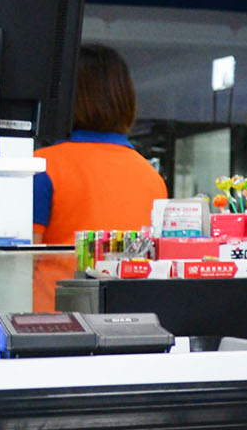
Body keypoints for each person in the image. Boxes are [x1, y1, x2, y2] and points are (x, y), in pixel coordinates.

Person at [34, 44, 167, 299]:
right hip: (127, 317)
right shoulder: (151, 176)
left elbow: (16, 265)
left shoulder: (41, 166)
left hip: (52, 319)